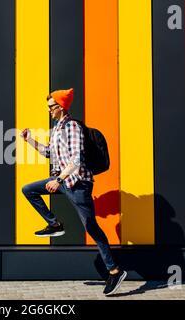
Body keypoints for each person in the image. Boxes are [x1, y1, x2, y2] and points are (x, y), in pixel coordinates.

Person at [20, 88, 127, 296]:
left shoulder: (72, 127)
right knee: (28, 190)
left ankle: (115, 270)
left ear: (60, 107)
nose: (49, 110)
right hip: (63, 180)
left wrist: (58, 179)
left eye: (51, 106)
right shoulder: (57, 128)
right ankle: (54, 224)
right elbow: (49, 153)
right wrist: (29, 140)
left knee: (91, 227)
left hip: (78, 184)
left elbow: (76, 160)